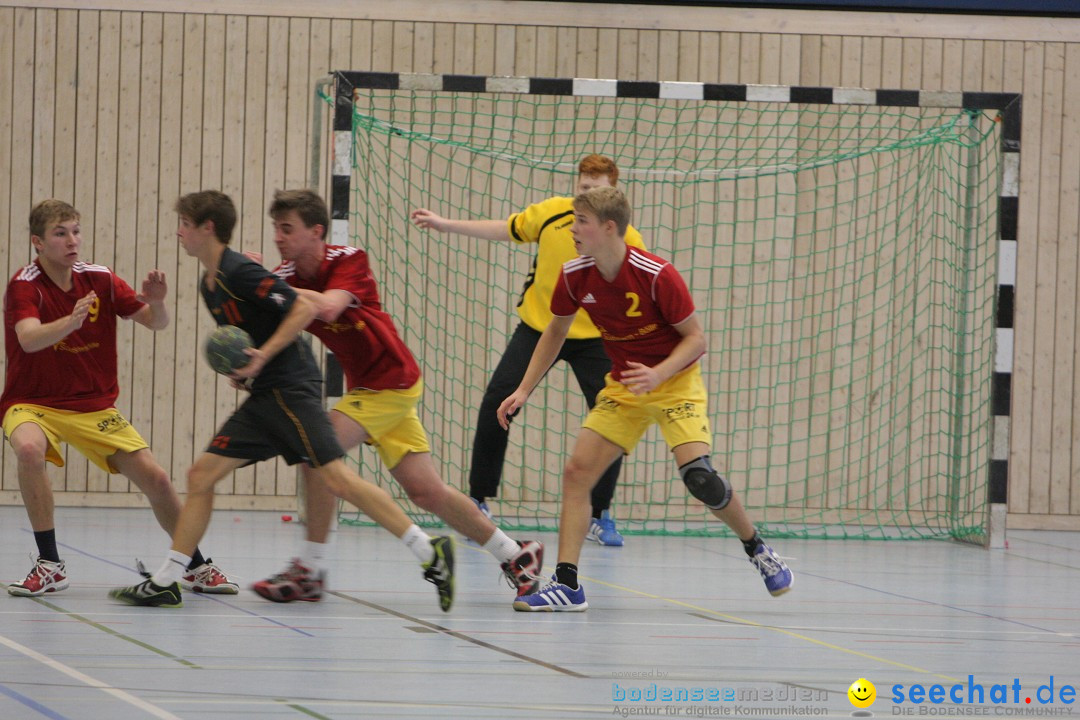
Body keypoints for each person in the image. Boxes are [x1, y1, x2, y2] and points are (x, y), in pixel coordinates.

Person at [108, 190, 455, 610]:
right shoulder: (210, 284)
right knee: (201, 475)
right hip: (265, 396)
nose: (179, 232)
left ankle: (428, 548)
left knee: (336, 479)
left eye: (185, 224)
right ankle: (168, 579)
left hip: (291, 390)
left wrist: (263, 358)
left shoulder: (241, 273)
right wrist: (242, 367)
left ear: (207, 228)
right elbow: (247, 336)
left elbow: (298, 310)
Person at [497, 187, 793, 612]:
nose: (573, 229)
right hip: (624, 387)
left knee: (700, 478)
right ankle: (568, 585)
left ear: (609, 227)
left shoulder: (656, 274)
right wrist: (524, 388)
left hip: (674, 381)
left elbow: (696, 340)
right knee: (577, 473)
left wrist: (658, 373)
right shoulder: (574, 274)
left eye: (581, 221)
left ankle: (757, 549)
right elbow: (555, 331)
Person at [250, 189, 542, 602]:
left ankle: (310, 571)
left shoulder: (348, 259)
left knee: (315, 451)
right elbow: (270, 317)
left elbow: (330, 309)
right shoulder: (288, 277)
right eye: (275, 228)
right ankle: (516, 553)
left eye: (287, 229)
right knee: (427, 492)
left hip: (392, 382)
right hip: (370, 388)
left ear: (316, 231)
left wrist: (272, 288)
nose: (278, 237)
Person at [3, 199, 237, 597]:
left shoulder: (100, 279)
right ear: (38, 243)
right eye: (61, 233)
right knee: (28, 449)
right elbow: (27, 338)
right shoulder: (24, 285)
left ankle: (195, 566)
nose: (72, 240)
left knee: (157, 479)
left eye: (76, 230)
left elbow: (155, 323)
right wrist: (70, 322)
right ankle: (49, 564)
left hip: (93, 406)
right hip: (32, 402)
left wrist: (158, 302)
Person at [410, 154, 643, 546]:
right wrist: (446, 224)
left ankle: (600, 514)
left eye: (597, 190)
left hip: (596, 338)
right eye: (583, 188)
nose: (587, 195)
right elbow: (505, 228)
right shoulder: (553, 215)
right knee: (499, 399)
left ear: (614, 196)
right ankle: (479, 501)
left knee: (612, 415)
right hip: (541, 328)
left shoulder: (627, 241)